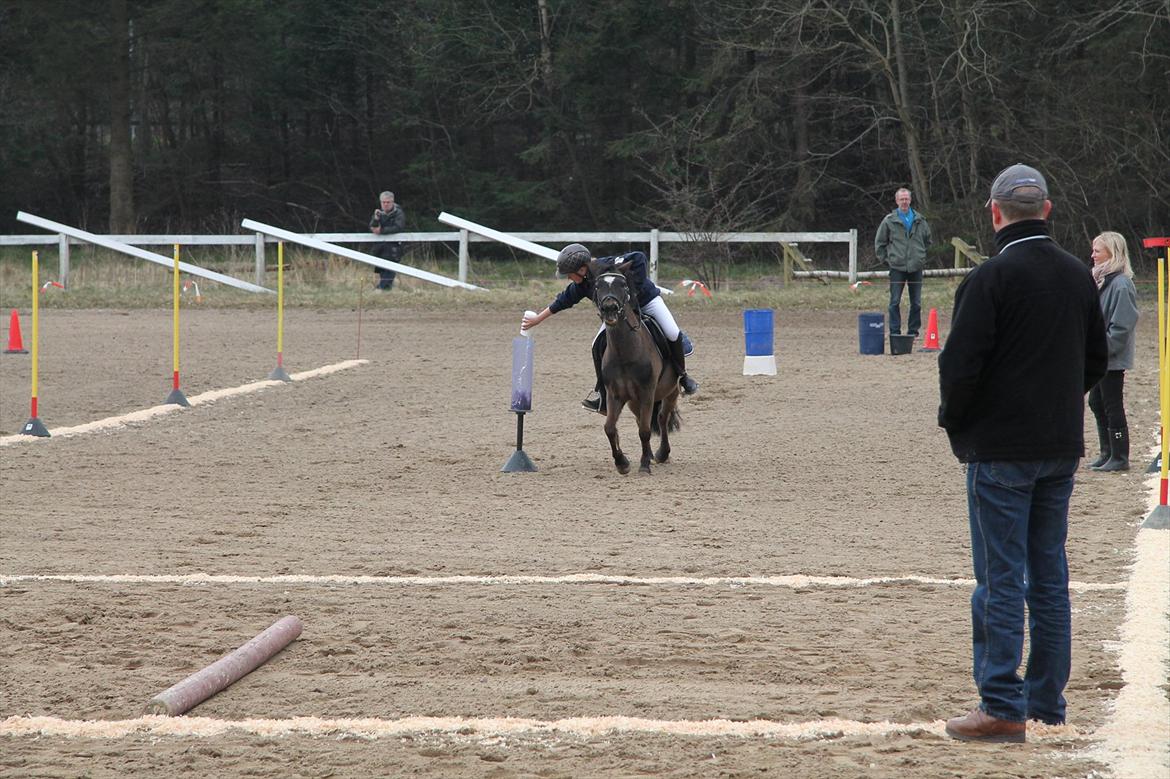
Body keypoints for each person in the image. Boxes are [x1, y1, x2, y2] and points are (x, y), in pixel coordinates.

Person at [938, 163, 1107, 743]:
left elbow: (959, 368)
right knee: (1049, 577)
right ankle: (1045, 704)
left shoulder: (989, 279)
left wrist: (957, 424)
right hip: (1059, 447)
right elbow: (1095, 362)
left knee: (1001, 579)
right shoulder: (1079, 277)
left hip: (1000, 450)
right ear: (1047, 210)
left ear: (995, 212)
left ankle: (1002, 705)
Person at [521, 243, 698, 413]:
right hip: (620, 314)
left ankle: (683, 376)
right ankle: (603, 395)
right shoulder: (583, 284)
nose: (568, 278)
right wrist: (537, 319)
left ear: (582, 269)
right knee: (596, 344)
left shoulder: (608, 264)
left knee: (673, 333)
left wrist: (632, 290)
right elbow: (562, 300)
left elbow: (639, 257)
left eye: (569, 274)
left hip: (648, 302)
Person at [1086, 231, 1139, 472]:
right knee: (1097, 402)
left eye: (1097, 250)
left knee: (1111, 404)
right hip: (1099, 356)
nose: (1092, 255)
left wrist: (1101, 350)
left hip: (1111, 358)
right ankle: (1107, 451)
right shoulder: (1100, 281)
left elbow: (1122, 327)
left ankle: (1120, 456)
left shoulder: (1121, 284)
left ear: (1112, 252)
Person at [875, 187, 932, 337]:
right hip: (897, 267)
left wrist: (920, 256)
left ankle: (913, 331)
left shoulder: (920, 220)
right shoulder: (889, 221)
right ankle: (895, 331)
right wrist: (887, 260)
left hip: (916, 267)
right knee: (894, 302)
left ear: (910, 200)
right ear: (896, 201)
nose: (904, 202)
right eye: (902, 199)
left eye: (906, 199)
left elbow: (928, 240)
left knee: (916, 303)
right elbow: (880, 243)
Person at [369, 191, 405, 290]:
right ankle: (385, 289)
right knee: (382, 268)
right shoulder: (379, 213)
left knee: (390, 268)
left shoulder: (398, 213)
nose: (385, 204)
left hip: (394, 246)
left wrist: (381, 231)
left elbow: (398, 227)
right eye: (383, 202)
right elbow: (372, 227)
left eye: (388, 202)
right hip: (380, 246)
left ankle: (381, 289)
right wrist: (376, 219)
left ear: (392, 202)